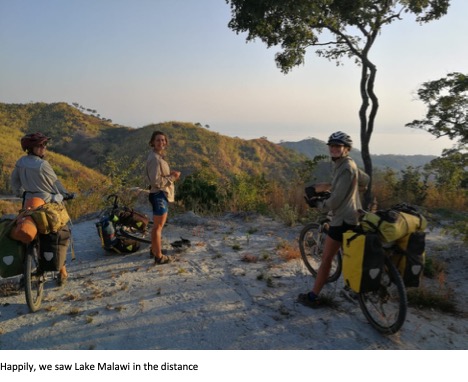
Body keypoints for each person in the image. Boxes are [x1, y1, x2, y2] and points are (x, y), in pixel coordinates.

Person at [298, 131, 369, 308]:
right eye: (332, 145)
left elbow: (335, 201)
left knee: (327, 259)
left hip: (342, 219)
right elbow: (364, 180)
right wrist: (349, 192)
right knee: (350, 253)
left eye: (338, 146)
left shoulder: (345, 167)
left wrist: (319, 205)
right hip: (355, 215)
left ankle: (313, 297)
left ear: (346, 149)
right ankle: (355, 288)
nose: (334, 149)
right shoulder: (348, 164)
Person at [11, 132, 72, 286]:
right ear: (31, 148)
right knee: (55, 231)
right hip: (46, 203)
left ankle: (27, 271)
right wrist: (65, 194)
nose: (44, 148)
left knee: (27, 231)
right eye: (40, 145)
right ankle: (62, 271)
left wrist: (20, 194)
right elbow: (55, 183)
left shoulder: (20, 162)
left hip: (28, 203)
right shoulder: (43, 165)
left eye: (45, 145)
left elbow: (14, 182)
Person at [146, 131, 181, 264]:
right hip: (159, 194)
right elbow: (156, 182)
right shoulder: (155, 159)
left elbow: (159, 176)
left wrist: (168, 174)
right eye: (158, 140)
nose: (161, 142)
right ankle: (159, 256)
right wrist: (173, 177)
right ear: (152, 142)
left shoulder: (157, 156)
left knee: (157, 226)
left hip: (157, 194)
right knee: (158, 227)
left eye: (163, 140)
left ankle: (154, 250)